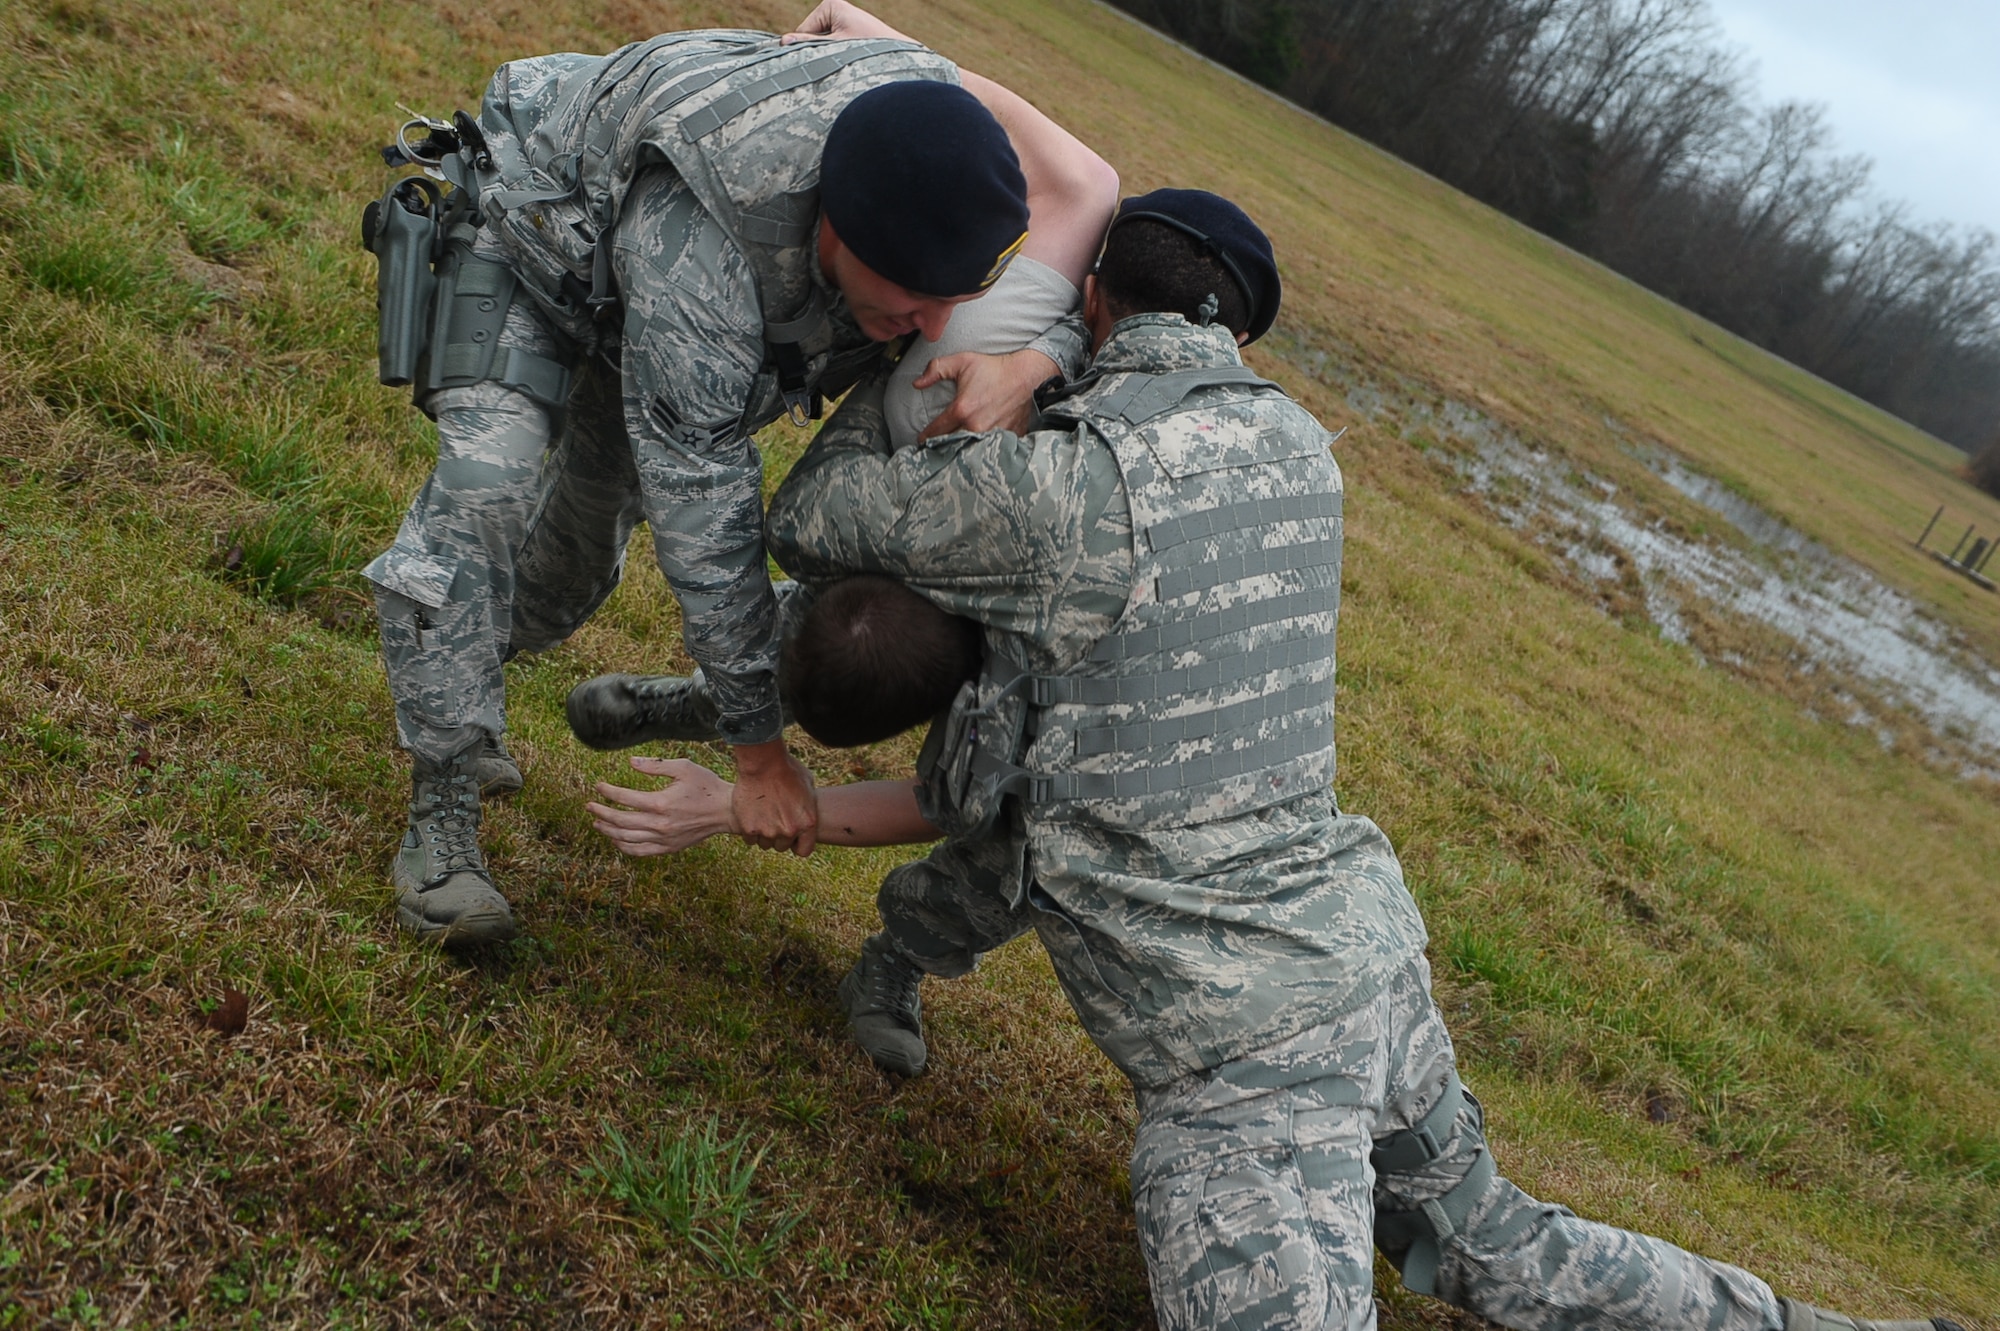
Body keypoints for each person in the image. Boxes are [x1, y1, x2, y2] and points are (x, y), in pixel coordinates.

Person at [583, 191, 1971, 1331]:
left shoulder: (1069, 484)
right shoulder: (1303, 447)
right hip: (1369, 969)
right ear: (1234, 324)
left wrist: (1039, 357)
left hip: (1243, 1053)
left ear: (1100, 305)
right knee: (1503, 1245)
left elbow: (814, 515)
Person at [361, 0, 1118, 943]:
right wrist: (759, 755)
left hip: (640, 311)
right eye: (914, 301)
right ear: (836, 230)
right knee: (486, 489)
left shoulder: (936, 147)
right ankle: (441, 812)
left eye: (951, 302)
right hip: (536, 247)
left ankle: (459, 667)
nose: (932, 327)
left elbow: (1072, 245)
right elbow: (706, 516)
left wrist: (1032, 360)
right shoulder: (710, 240)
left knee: (567, 572)